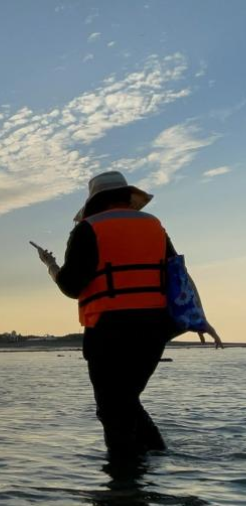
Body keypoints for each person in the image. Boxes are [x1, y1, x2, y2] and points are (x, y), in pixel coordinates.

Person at [34, 170, 222, 455]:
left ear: (94, 201)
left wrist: (50, 266)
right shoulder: (154, 226)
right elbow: (178, 275)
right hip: (154, 331)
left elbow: (71, 287)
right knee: (125, 402)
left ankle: (125, 476)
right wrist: (199, 318)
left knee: (113, 409)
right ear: (127, 197)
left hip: (108, 330)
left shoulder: (87, 229)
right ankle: (157, 460)